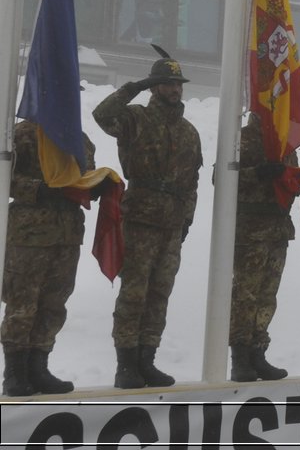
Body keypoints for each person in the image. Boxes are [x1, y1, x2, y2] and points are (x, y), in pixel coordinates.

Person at [94, 48, 203, 389]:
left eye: (178, 84)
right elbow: (102, 114)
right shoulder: (135, 118)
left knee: (159, 294)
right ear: (155, 88)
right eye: (167, 84)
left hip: (171, 225)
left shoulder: (189, 131)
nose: (175, 89)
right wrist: (135, 86)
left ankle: (147, 359)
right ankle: (126, 363)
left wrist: (186, 220)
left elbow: (191, 182)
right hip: (140, 220)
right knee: (135, 293)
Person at [2, 121, 103, 396]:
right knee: (22, 302)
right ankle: (14, 372)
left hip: (67, 233)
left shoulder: (79, 139)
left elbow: (86, 176)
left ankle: (38, 367)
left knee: (54, 303)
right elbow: (4, 177)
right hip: (29, 234)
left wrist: (95, 186)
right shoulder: (21, 135)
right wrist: (37, 189)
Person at [229, 112, 300, 382]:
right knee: (245, 295)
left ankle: (258, 352)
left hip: (278, 229)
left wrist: (296, 180)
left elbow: (293, 178)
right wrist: (256, 173)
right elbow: (221, 177)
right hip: (250, 230)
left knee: (267, 296)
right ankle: (240, 357)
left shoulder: (285, 144)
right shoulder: (242, 139)